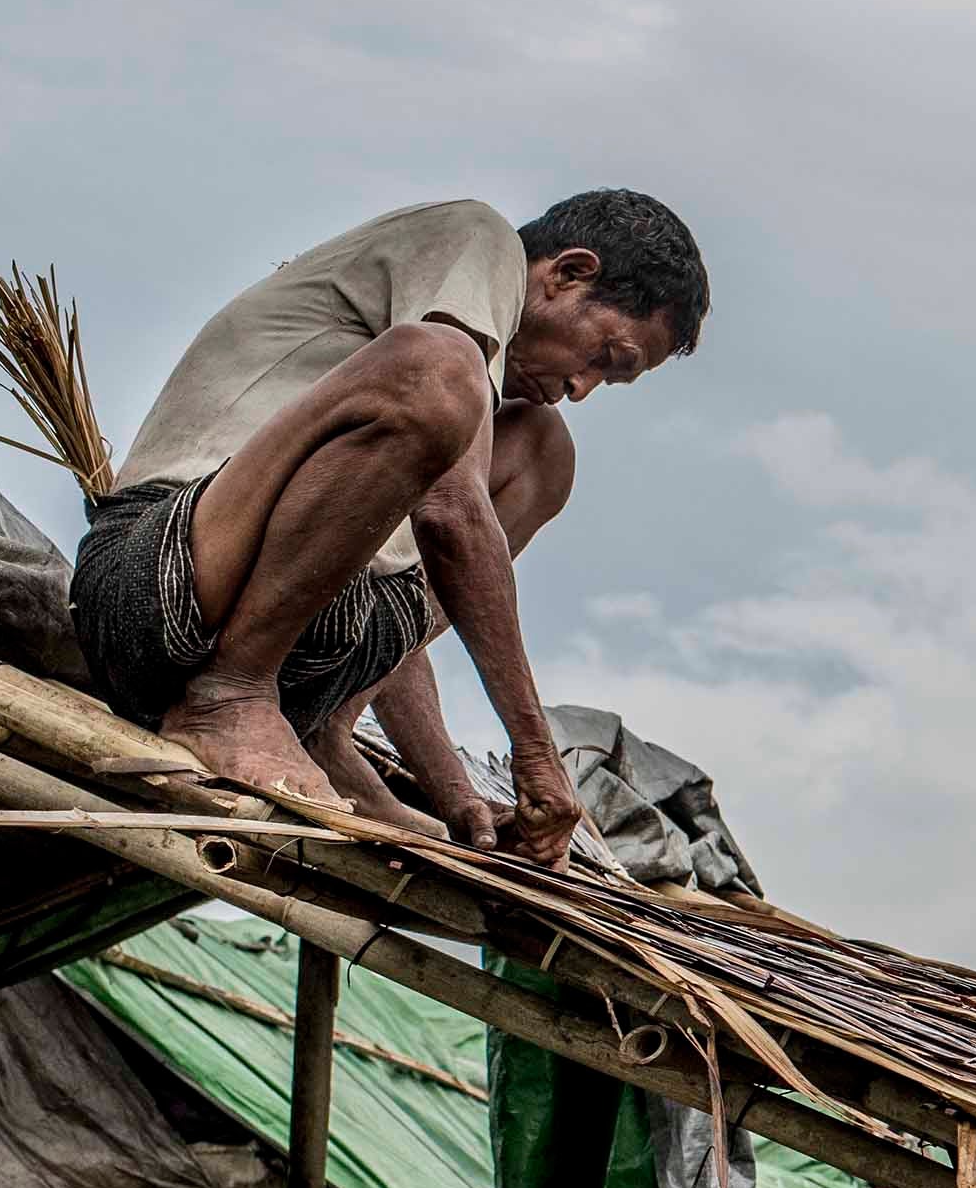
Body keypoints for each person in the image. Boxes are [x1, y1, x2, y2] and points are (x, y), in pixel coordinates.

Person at [73, 192, 709, 858]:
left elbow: (394, 564)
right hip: (157, 589)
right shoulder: (478, 240)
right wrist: (534, 750)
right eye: (606, 356)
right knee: (436, 369)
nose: (583, 387)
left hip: (298, 664)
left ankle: (326, 729)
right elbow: (451, 518)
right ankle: (226, 693)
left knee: (543, 453)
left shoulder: (455, 426)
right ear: (566, 273)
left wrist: (454, 793)